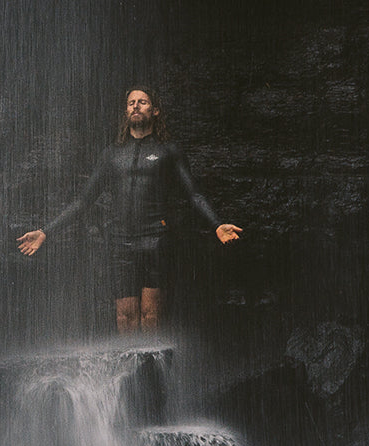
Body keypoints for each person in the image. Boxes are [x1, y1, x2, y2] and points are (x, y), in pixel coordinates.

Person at [17, 88, 241, 333]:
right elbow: (83, 201)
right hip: (119, 241)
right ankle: (130, 370)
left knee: (151, 316)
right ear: (126, 111)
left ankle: (150, 371)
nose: (135, 106)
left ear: (154, 110)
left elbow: (193, 194)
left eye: (142, 102)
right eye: (131, 103)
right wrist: (46, 232)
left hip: (156, 239)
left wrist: (216, 224)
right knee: (125, 318)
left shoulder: (169, 150)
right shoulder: (112, 154)